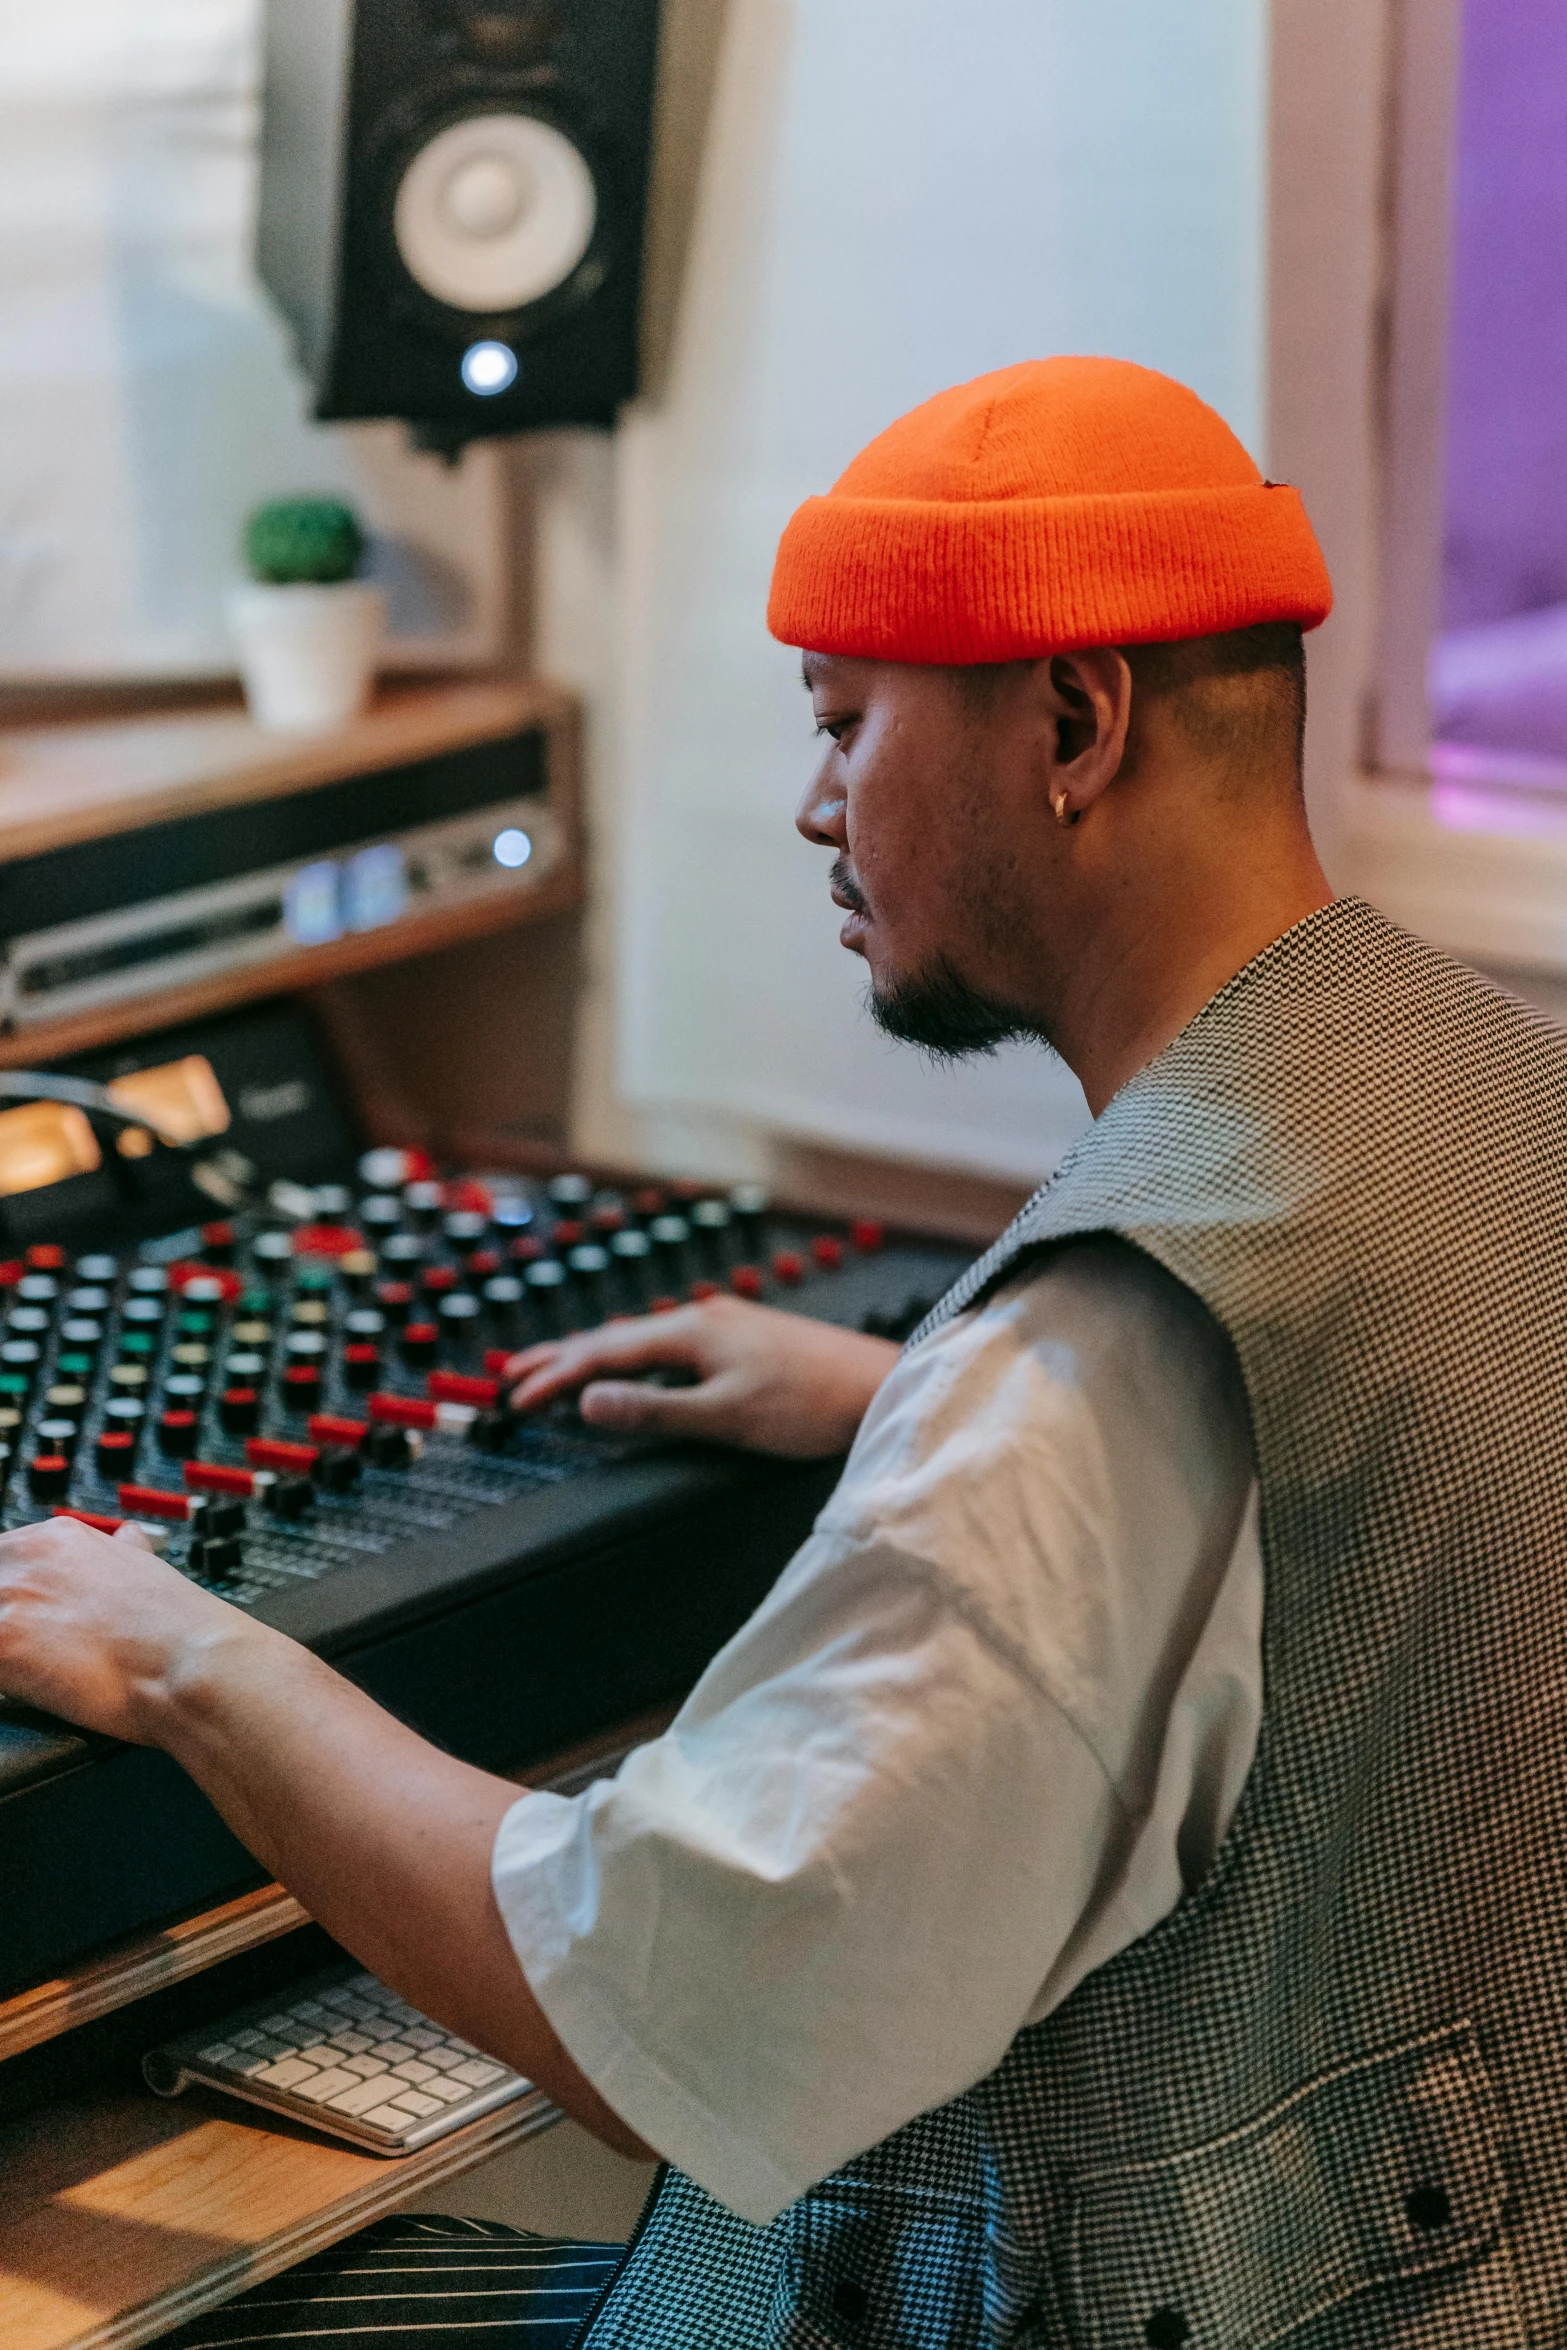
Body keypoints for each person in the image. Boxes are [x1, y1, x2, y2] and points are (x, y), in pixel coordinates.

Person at [2, 357, 1563, 2347]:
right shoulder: (1497, 1093)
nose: (818, 803)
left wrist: (181, 1653)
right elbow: (1352, 1477)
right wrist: (900, 1397)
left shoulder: (1089, 1379)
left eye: (847, 723)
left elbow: (642, 1998)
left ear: (1075, 722)